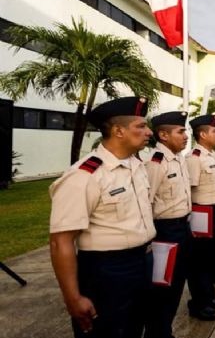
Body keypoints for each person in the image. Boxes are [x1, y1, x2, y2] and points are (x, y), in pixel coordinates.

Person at [49, 96, 156, 337]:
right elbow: (60, 241)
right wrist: (73, 298)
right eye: (141, 126)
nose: (149, 132)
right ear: (118, 130)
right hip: (107, 272)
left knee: (133, 328)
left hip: (141, 262)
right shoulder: (85, 175)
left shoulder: (136, 167)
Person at [144, 111, 193, 338]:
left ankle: (165, 330)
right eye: (180, 131)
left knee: (176, 285)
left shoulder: (178, 159)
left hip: (182, 227)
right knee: (162, 290)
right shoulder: (156, 163)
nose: (185, 136)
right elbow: (146, 202)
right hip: (164, 231)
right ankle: (159, 332)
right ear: (163, 135)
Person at [185, 114, 215, 322]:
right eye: (214, 131)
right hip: (201, 213)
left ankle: (209, 296)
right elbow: (190, 190)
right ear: (202, 134)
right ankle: (198, 303)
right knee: (200, 260)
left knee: (211, 256)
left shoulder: (212, 155)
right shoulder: (194, 158)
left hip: (214, 210)